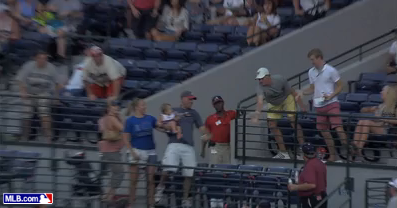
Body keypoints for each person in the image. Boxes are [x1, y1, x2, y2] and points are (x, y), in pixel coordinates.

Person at [155, 91, 208, 207]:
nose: (191, 101)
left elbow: (202, 128)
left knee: (189, 173)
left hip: (188, 146)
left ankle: (185, 198)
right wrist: (167, 127)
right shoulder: (172, 110)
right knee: (168, 168)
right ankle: (160, 187)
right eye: (189, 99)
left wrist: (205, 135)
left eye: (192, 99)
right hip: (174, 143)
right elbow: (159, 123)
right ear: (183, 99)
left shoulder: (194, 113)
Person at [296, 48, 348, 162]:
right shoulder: (311, 72)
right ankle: (332, 156)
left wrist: (331, 95)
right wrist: (302, 92)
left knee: (338, 128)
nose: (312, 62)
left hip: (332, 103)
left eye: (313, 59)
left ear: (320, 58)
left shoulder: (331, 70)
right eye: (311, 60)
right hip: (319, 105)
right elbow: (312, 88)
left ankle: (349, 154)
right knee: (324, 132)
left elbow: (340, 85)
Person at [251, 67, 306, 160]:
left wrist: (302, 105)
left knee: (293, 121)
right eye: (259, 79)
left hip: (286, 98)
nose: (260, 81)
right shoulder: (260, 87)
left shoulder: (280, 79)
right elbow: (260, 102)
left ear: (268, 76)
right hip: (273, 103)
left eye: (262, 78)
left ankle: (303, 149)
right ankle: (284, 153)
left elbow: (292, 92)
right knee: (272, 125)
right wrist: (257, 116)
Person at [123, 98, 164, 208]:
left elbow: (160, 127)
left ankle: (151, 204)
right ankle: (131, 204)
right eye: (142, 105)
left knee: (151, 180)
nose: (145, 107)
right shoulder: (130, 121)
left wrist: (166, 124)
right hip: (137, 151)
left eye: (145, 105)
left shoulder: (150, 118)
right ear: (136, 107)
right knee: (133, 181)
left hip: (151, 151)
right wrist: (132, 153)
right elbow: (126, 139)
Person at [16, 50, 62, 142]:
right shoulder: (28, 66)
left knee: (44, 112)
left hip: (44, 92)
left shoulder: (51, 68)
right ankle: (24, 137)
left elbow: (58, 83)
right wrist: (23, 92)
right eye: (40, 58)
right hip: (29, 92)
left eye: (44, 58)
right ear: (36, 58)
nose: (42, 60)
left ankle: (48, 137)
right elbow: (20, 80)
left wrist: (57, 96)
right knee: (26, 112)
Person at [352, 85, 397, 162]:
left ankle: (358, 149)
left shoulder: (394, 106)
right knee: (361, 121)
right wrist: (367, 109)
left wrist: (384, 119)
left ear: (388, 93)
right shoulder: (381, 106)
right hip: (378, 126)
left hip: (387, 130)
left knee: (366, 122)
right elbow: (363, 110)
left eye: (383, 91)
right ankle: (354, 146)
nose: (380, 92)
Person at [98, 100, 125, 202]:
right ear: (108, 108)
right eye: (113, 106)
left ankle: (106, 195)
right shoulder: (112, 118)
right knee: (119, 173)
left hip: (108, 150)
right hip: (111, 150)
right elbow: (123, 128)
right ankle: (108, 197)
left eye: (116, 106)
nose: (116, 108)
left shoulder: (104, 119)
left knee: (115, 173)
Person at [288, 143, 327, 208]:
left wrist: (294, 187)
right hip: (321, 197)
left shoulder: (310, 166)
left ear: (303, 154)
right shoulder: (320, 163)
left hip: (312, 199)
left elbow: (311, 185)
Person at [203, 95, 236, 164]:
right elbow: (205, 135)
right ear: (213, 106)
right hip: (214, 147)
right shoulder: (210, 119)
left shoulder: (230, 114)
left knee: (227, 166)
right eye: (216, 104)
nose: (218, 105)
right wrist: (203, 150)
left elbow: (242, 114)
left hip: (227, 146)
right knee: (214, 164)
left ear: (223, 103)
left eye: (219, 103)